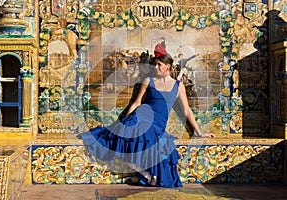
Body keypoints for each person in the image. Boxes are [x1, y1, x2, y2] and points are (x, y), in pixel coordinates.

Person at [78, 43, 214, 188]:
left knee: (154, 143)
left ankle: (149, 175)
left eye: (159, 65)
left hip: (158, 123)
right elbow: (136, 103)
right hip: (142, 115)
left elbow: (187, 110)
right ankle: (147, 174)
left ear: (167, 67)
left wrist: (199, 132)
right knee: (129, 137)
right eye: (154, 64)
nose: (155, 67)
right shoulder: (148, 81)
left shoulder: (178, 86)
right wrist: (122, 121)